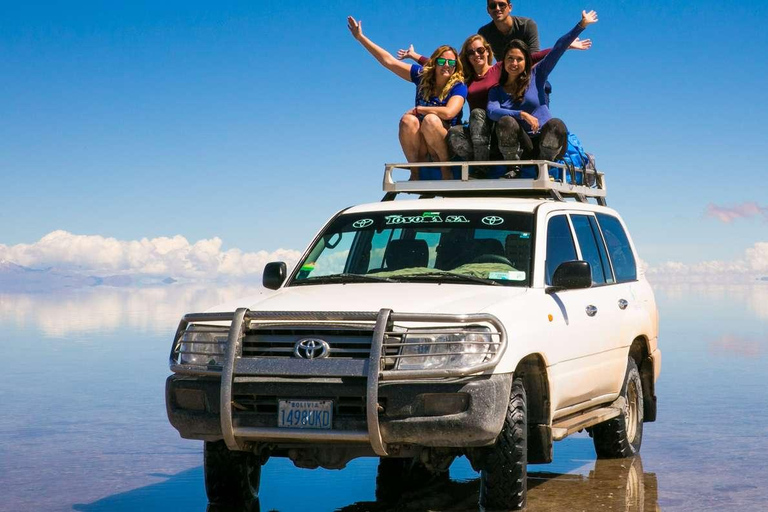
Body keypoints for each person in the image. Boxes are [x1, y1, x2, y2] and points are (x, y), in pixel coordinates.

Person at [399, 36, 591, 162]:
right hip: (479, 128)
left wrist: (567, 46)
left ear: (487, 51)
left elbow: (532, 56)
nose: (476, 55)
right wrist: (415, 56)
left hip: (504, 125)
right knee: (471, 119)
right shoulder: (464, 75)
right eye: (471, 52)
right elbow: (442, 65)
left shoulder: (499, 68)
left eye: (480, 50)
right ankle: (480, 165)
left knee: (481, 114)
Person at [347, 16, 467, 180]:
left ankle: (445, 168)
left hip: (446, 144)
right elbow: (389, 61)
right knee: (407, 121)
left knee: (431, 119)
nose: (446, 65)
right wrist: (361, 38)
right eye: (442, 60)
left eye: (451, 62)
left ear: (455, 66)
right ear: (435, 63)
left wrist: (420, 109)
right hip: (423, 144)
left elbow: (449, 113)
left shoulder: (458, 86)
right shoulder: (421, 76)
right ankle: (415, 171)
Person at [487, 10, 598, 165]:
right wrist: (522, 115)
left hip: (547, 141)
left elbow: (558, 49)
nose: (514, 63)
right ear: (503, 62)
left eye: (519, 59)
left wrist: (581, 25)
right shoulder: (496, 90)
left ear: (526, 62)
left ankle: (546, 166)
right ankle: (513, 166)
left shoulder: (537, 75)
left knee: (557, 124)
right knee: (506, 121)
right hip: (523, 146)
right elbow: (492, 112)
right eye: (510, 59)